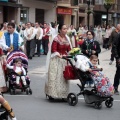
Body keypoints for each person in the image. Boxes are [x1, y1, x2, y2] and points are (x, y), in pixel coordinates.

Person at [45, 23, 72, 99]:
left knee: (63, 77)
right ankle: (51, 93)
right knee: (54, 77)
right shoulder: (56, 38)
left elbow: (69, 49)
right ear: (59, 30)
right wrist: (59, 55)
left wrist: (72, 53)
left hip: (64, 60)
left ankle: (63, 94)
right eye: (64, 29)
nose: (66, 30)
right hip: (56, 60)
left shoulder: (67, 38)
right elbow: (54, 49)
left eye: (66, 28)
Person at [112, 27, 120, 95]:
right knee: (118, 73)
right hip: (119, 57)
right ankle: (115, 87)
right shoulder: (118, 36)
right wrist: (117, 57)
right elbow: (114, 46)